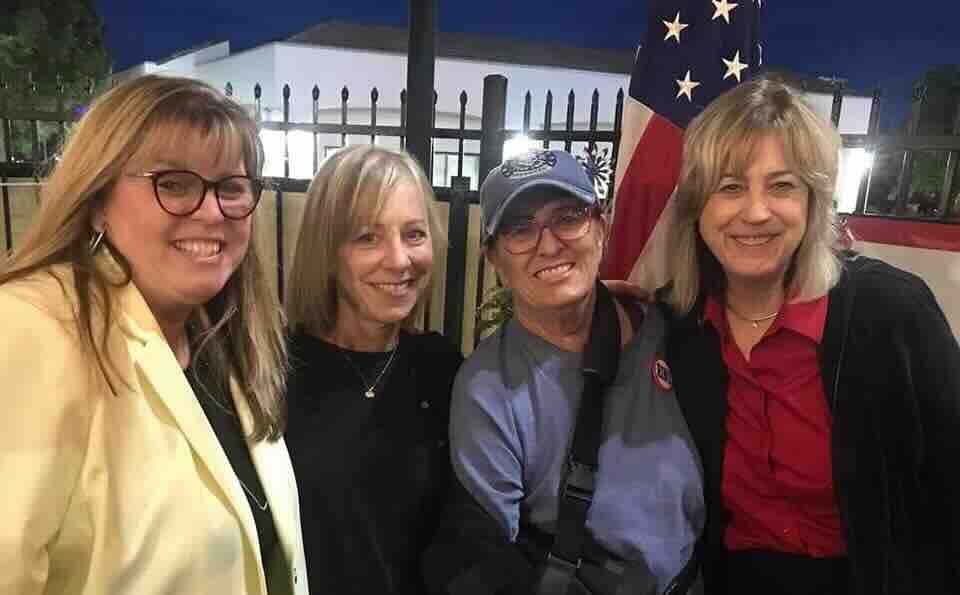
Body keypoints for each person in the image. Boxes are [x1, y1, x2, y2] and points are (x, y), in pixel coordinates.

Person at [0, 75, 307, 594]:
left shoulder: (218, 336)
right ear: (97, 199)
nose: (212, 212)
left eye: (231, 187)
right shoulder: (31, 328)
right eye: (175, 184)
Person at [660, 74, 960, 595]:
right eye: (730, 187)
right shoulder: (681, 324)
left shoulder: (891, 313)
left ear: (813, 202)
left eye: (782, 186)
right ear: (698, 210)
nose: (755, 212)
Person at [423, 149, 705, 595]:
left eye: (568, 217)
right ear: (493, 257)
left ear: (601, 226)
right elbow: (483, 559)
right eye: (520, 229)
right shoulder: (488, 390)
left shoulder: (676, 334)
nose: (549, 244)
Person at [284, 144, 463, 594]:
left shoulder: (442, 371)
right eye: (368, 237)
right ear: (327, 250)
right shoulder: (271, 370)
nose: (399, 260)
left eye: (414, 234)